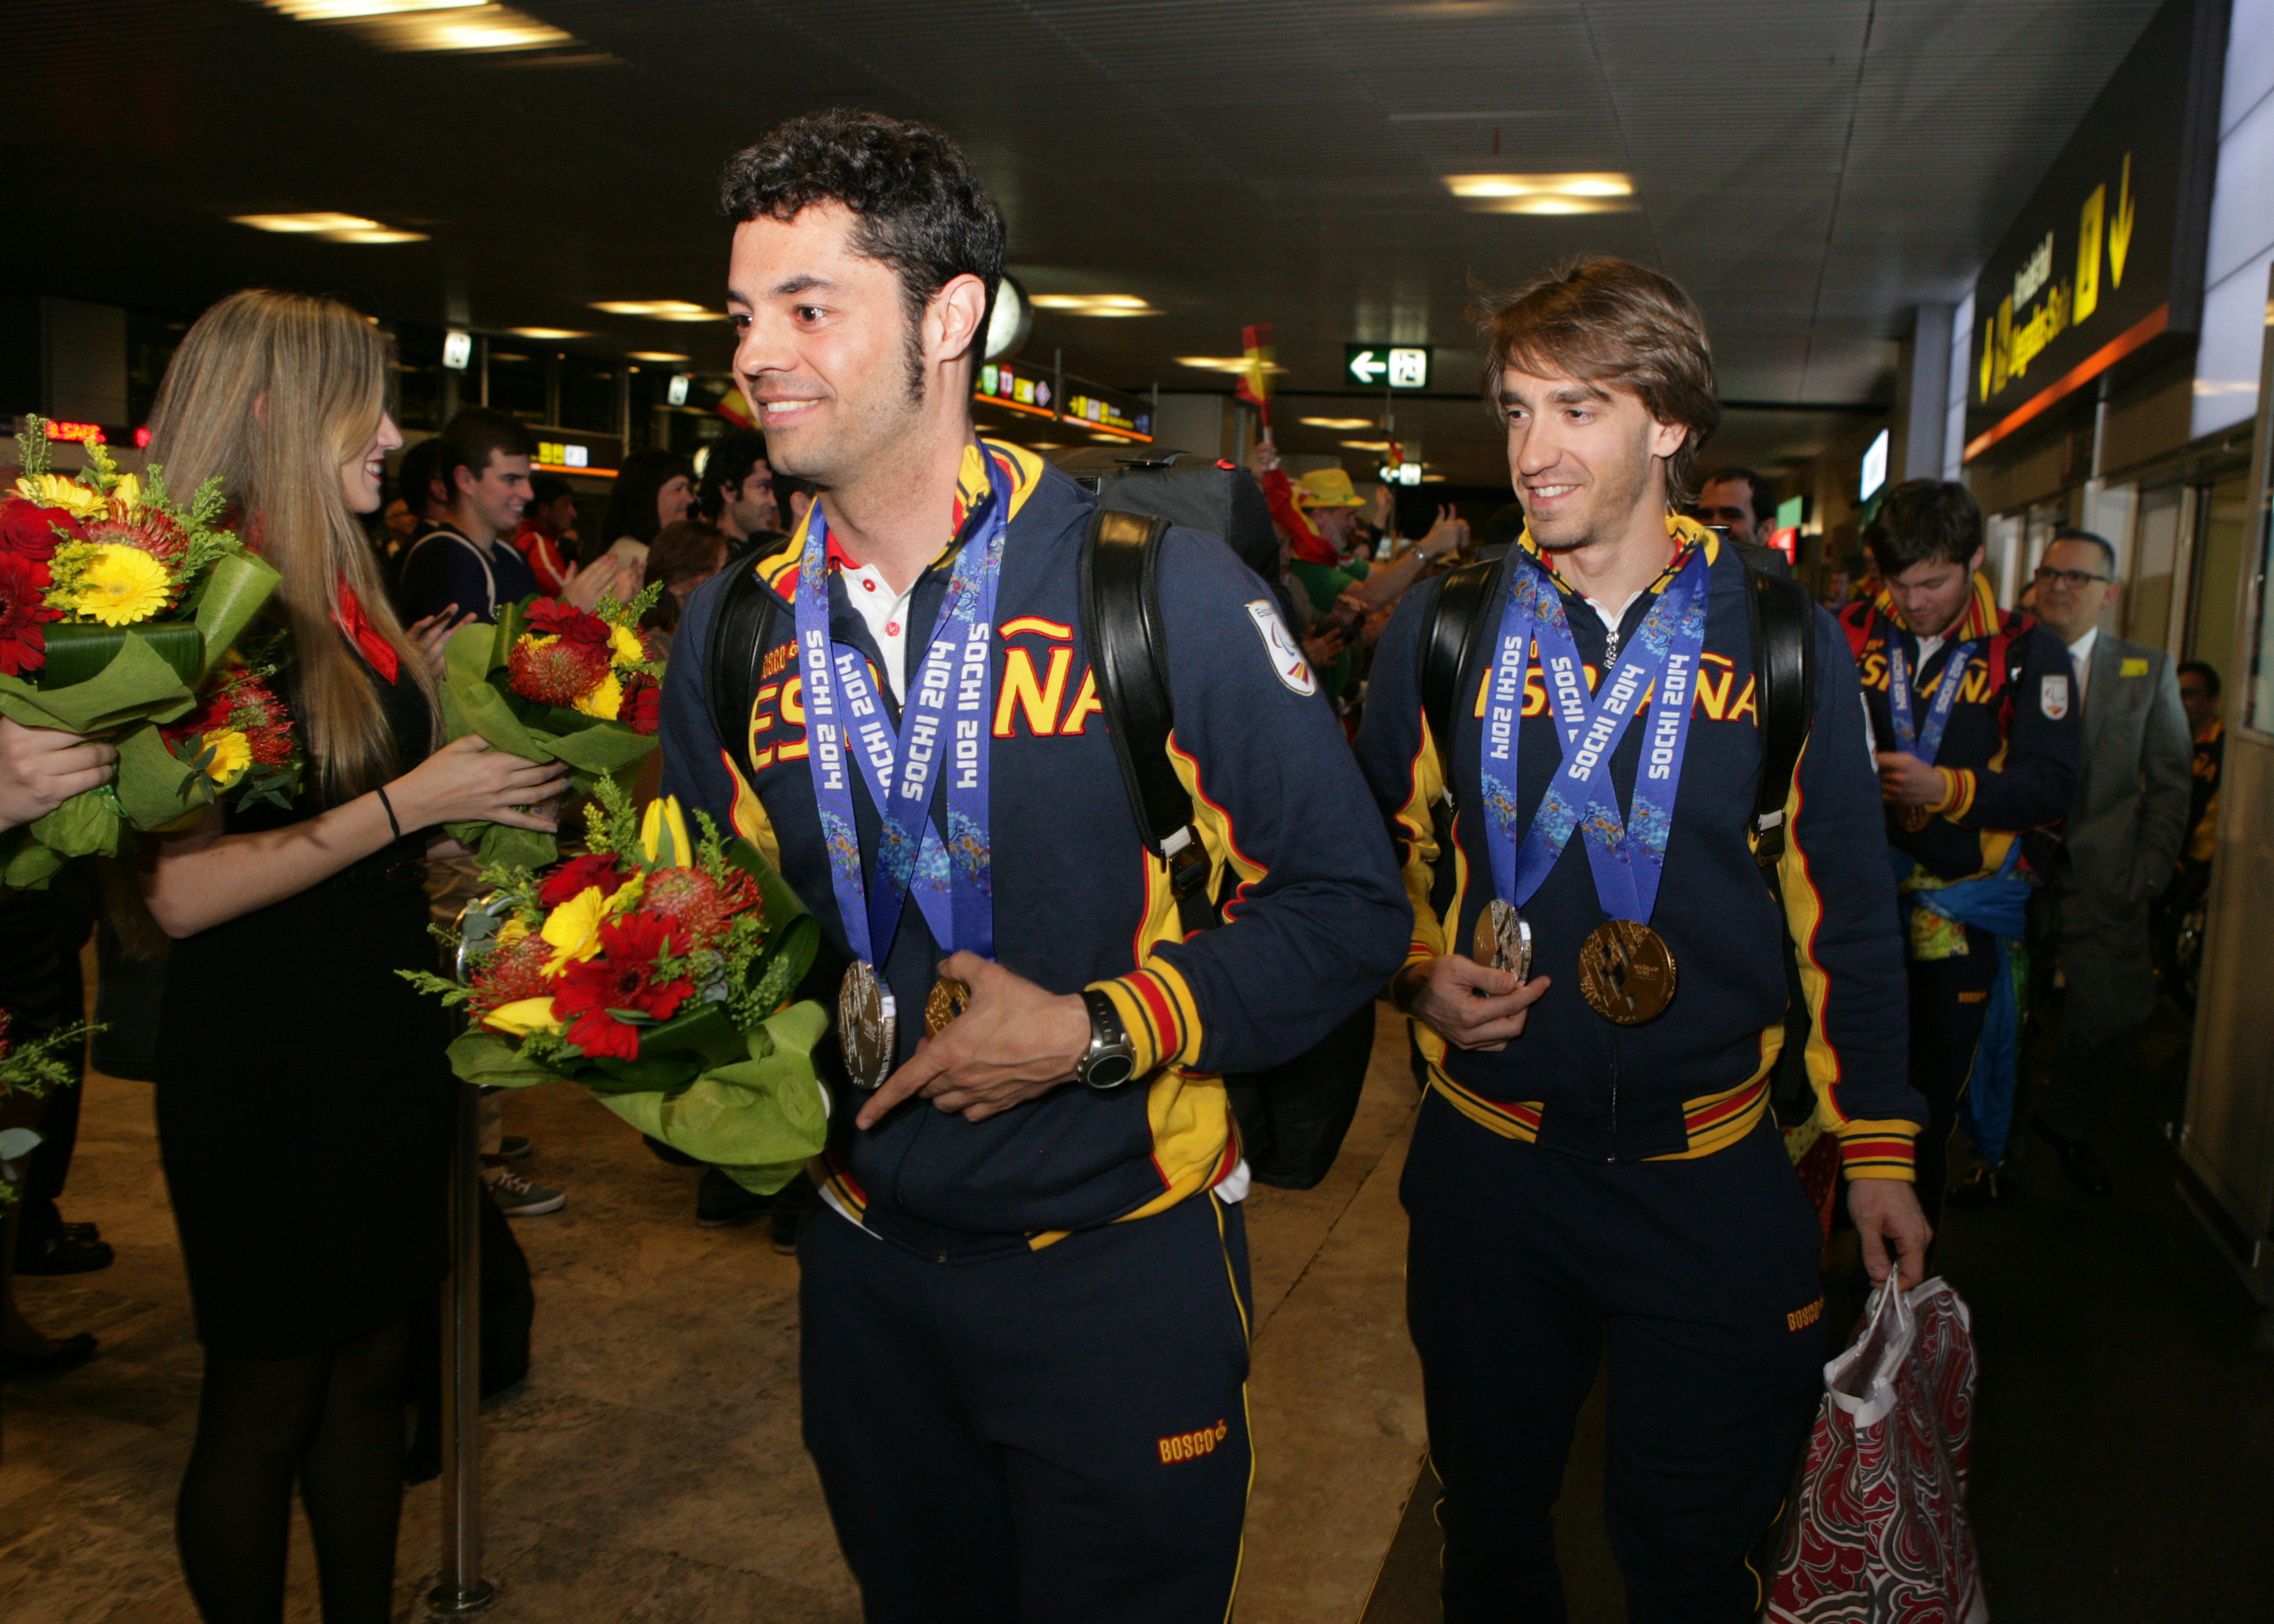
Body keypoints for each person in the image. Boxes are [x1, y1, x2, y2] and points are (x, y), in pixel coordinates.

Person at [661, 108, 1409, 1622]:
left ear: (948, 318)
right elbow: (714, 926)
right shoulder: (732, 628)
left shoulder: (1150, 589)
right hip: (868, 1264)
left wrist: (1086, 1029)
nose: (757, 355)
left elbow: (1348, 911)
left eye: (811, 309)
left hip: (1118, 1268)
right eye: (746, 315)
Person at [1355, 256, 1926, 1624]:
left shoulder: (1786, 636)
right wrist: (1417, 971)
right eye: (1514, 413)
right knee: (1491, 1537)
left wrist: (1879, 1148)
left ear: (1668, 422)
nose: (1532, 452)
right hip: (1494, 1173)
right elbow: (1365, 861)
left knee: (1690, 1555)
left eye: (1577, 409)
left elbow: (1842, 904)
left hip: (1715, 1179)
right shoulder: (1445, 623)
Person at [135, 288, 571, 1624]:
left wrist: (477, 833)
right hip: (266, 1064)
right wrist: (418, 802)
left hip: (377, 1046)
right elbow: (181, 892)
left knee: (375, 1371)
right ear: (273, 412)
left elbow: (369, 825)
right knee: (266, 1396)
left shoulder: (345, 587)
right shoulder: (200, 609)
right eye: (362, 403)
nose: (393, 432)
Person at [1840, 482, 2080, 1215]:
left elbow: (2052, 787)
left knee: (1928, 1110)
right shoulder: (1847, 633)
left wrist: (1946, 788)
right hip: (1855, 912)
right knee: (1840, 1097)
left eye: (1934, 583)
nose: (1913, 602)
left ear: (1977, 560)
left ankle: (1898, 1291)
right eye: (1898, 584)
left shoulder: (2029, 652)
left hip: (1960, 917)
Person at [2027, 528, 2192, 1195]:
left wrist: (2149, 873)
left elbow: (2171, 782)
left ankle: (2066, 1123)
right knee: (2004, 1021)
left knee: (2113, 1017)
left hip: (2109, 881)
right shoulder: (2009, 659)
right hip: (2018, 878)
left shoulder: (2144, 671)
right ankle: (1990, 1150)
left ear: (2109, 594)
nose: (2060, 586)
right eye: (2049, 573)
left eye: (2078, 578)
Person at [637, 517, 729, 653]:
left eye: (725, 568)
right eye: (710, 571)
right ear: (675, 585)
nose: (723, 579)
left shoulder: (716, 634)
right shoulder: (657, 645)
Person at [597, 447, 696, 570]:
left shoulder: (652, 553)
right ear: (647, 498)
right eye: (678, 489)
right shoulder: (636, 559)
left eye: (688, 489)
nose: (690, 499)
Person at [1692, 464, 1793, 577]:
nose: (1715, 525)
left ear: (1766, 529)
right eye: (1705, 516)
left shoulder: (1781, 593)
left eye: (1731, 516)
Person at [695, 426, 782, 552]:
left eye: (775, 488)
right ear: (728, 491)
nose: (774, 502)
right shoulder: (699, 562)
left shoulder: (772, 555)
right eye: (764, 487)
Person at [511, 472, 579, 595]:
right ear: (544, 510)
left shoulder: (528, 537)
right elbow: (566, 595)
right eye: (565, 504)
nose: (573, 513)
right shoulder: (536, 543)